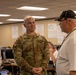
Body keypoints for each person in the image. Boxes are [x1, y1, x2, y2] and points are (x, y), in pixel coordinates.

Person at [55, 10, 76, 75]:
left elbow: (74, 70)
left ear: (67, 21)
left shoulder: (73, 39)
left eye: (60, 21)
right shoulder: (71, 35)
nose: (59, 24)